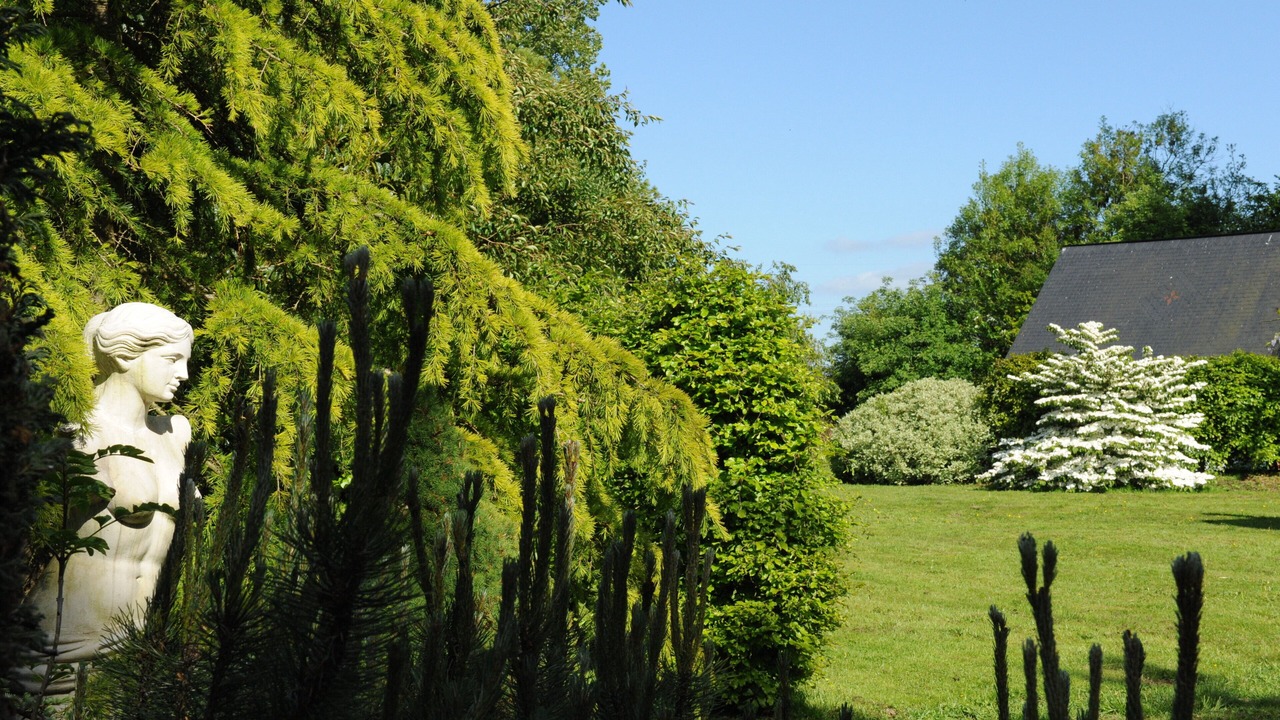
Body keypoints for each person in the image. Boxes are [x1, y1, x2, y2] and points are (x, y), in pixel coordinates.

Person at [19, 303, 192, 693]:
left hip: (140, 651)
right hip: (63, 647)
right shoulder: (80, 430)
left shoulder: (174, 434)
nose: (184, 374)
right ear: (124, 353)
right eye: (172, 359)